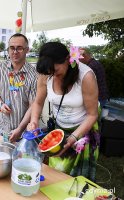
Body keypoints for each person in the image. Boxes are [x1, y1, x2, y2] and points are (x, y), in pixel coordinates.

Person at [27, 42, 100, 181]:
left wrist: (73, 137)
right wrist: (34, 121)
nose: (53, 76)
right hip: (59, 128)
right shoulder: (46, 73)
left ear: (68, 60)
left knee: (78, 178)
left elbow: (92, 115)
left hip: (83, 130)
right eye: (50, 73)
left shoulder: (86, 77)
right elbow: (38, 102)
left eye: (56, 71)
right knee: (57, 174)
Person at [0, 33, 37, 142]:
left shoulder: (33, 74)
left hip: (25, 132)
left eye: (19, 48)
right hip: (3, 128)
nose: (15, 52)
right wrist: (0, 103)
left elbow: (33, 106)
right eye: (12, 48)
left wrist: (20, 129)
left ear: (27, 50)